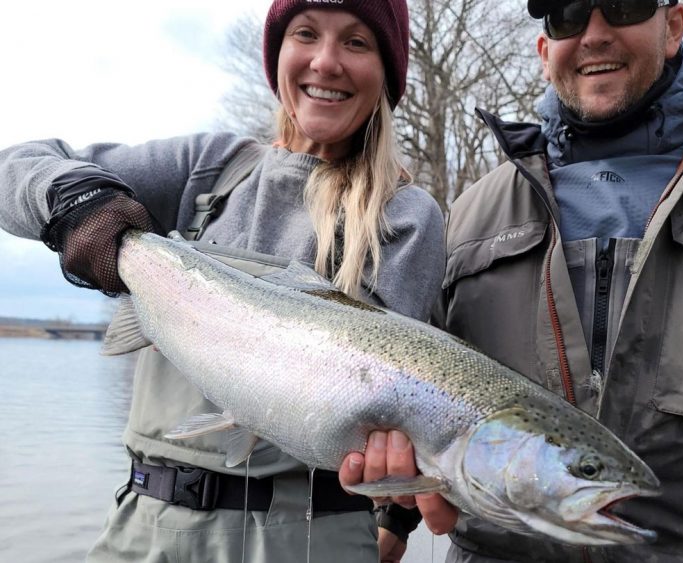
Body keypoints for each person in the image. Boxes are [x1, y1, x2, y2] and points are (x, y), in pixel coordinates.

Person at [0, 1, 447, 561]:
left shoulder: (406, 216)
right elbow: (16, 164)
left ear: (387, 70)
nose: (326, 62)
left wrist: (396, 507)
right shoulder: (207, 167)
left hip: (311, 535)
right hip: (148, 530)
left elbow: (395, 411)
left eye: (357, 43)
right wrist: (78, 201)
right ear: (278, 53)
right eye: (306, 34)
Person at [342, 0, 683, 561]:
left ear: (674, 25)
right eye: (568, 16)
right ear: (544, 50)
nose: (595, 35)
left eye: (624, 6)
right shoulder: (467, 214)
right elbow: (414, 382)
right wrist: (393, 517)